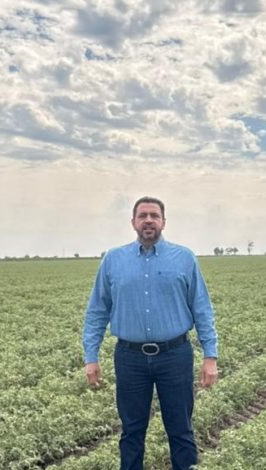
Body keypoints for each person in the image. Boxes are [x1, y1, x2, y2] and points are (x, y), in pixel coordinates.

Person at [82, 196, 218, 470]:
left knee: (180, 430)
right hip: (129, 358)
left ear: (163, 222)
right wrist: (91, 356)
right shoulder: (113, 260)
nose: (148, 220)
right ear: (133, 222)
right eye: (142, 215)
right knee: (131, 432)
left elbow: (202, 308)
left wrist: (210, 356)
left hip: (175, 355)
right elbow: (97, 310)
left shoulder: (184, 258)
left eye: (154, 216)